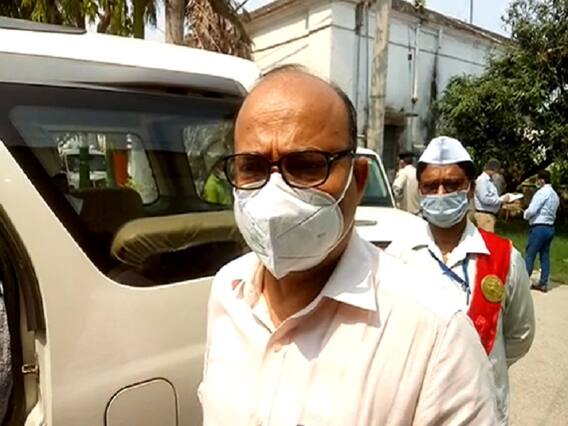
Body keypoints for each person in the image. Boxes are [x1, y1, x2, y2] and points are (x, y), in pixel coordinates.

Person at [198, 67, 498, 425]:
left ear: (357, 180)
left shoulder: (436, 333)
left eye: (306, 165)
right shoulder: (228, 291)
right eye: (251, 167)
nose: (274, 193)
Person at [387, 136, 535, 426]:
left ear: (471, 189)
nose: (441, 194)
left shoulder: (504, 257)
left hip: (482, 410)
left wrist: (480, 366)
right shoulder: (398, 254)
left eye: (452, 184)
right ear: (421, 190)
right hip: (417, 409)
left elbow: (520, 335)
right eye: (431, 186)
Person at [524, 170, 560, 293]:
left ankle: (524, 281)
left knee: (530, 254)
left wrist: (525, 214)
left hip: (539, 227)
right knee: (544, 255)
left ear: (542, 180)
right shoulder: (554, 195)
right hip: (550, 227)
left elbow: (532, 210)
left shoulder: (542, 192)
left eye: (538, 180)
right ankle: (543, 282)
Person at [475, 158, 510, 232]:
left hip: (490, 215)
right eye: (496, 172)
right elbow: (485, 199)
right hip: (484, 215)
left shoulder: (490, 181)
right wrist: (501, 200)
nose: (497, 174)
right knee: (487, 237)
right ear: (492, 170)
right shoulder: (482, 181)